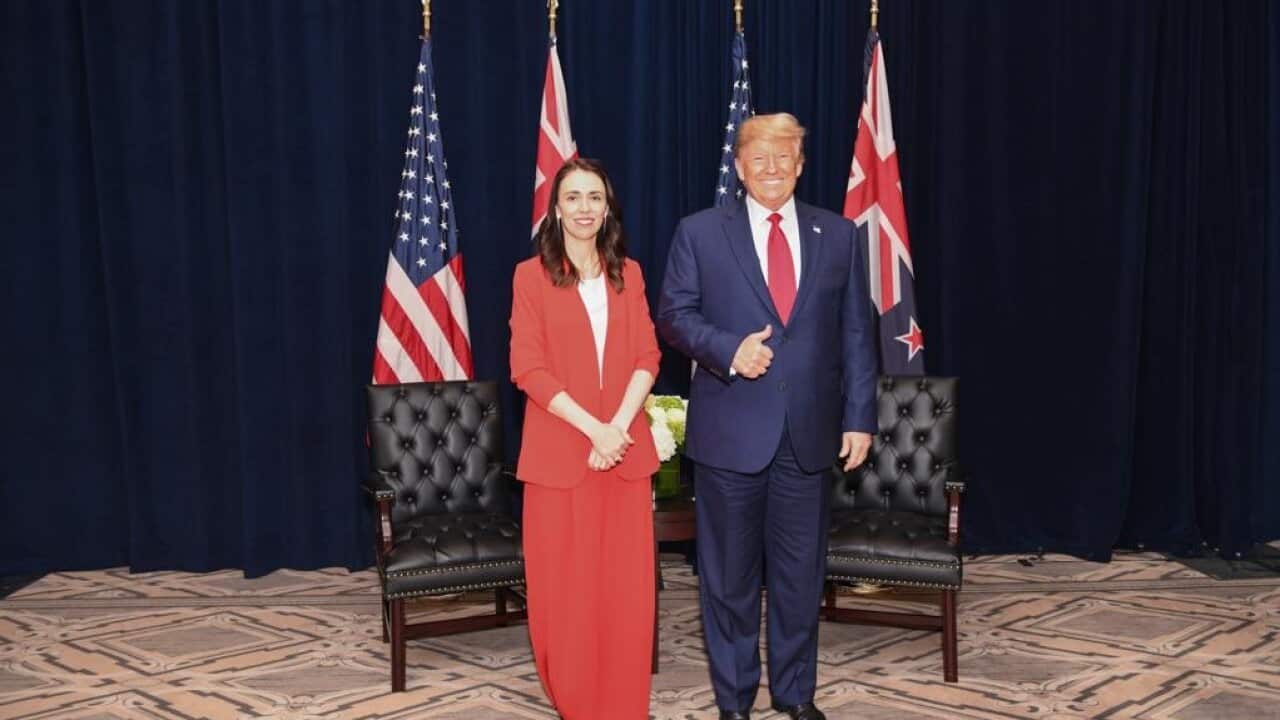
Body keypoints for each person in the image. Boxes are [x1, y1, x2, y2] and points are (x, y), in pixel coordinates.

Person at [656, 113, 876, 720]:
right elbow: (673, 315)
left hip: (809, 437)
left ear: (800, 165)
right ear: (739, 166)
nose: (771, 168)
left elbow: (857, 333)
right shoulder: (700, 232)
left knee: (800, 577)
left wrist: (859, 417)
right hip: (730, 436)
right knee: (727, 579)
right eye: (759, 157)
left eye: (784, 156)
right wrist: (729, 350)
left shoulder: (839, 235)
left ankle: (796, 695)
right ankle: (734, 701)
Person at [509, 158, 661, 720]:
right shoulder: (530, 276)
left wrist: (616, 427)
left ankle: (624, 707)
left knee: (625, 595)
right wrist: (595, 429)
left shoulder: (630, 274)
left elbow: (648, 356)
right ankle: (576, 705)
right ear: (555, 208)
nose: (584, 208)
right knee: (565, 595)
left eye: (594, 197)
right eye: (572, 197)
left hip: (623, 455)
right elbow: (528, 368)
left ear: (607, 207)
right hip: (560, 456)